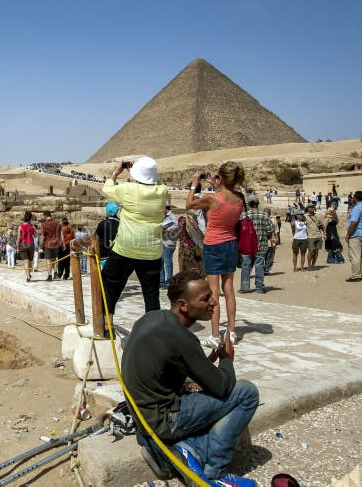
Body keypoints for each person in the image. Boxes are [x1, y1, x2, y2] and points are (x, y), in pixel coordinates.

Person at [122, 270, 258, 487]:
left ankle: (178, 452)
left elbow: (161, 359)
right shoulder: (183, 338)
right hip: (162, 421)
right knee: (246, 392)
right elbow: (222, 386)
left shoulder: (151, 318)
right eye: (205, 299)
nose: (213, 302)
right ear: (183, 305)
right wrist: (226, 359)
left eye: (211, 295)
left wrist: (201, 365)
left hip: (142, 418)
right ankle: (214, 470)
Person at [101, 157, 168, 336]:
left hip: (126, 248)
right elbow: (156, 182)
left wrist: (117, 171)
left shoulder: (127, 189)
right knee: (151, 294)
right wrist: (141, 172)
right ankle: (153, 334)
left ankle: (108, 327)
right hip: (151, 250)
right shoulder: (162, 191)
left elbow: (106, 189)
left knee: (109, 285)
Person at [186, 162, 245, 347]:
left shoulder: (212, 198)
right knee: (229, 289)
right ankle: (232, 332)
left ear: (221, 177)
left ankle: (215, 336)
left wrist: (195, 182)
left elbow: (189, 204)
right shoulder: (239, 199)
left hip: (214, 244)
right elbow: (226, 198)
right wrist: (216, 184)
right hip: (231, 244)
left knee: (213, 292)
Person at [239, 195, 274, 294]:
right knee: (259, 265)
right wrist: (265, 236)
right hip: (261, 244)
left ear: (249, 204)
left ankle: (245, 287)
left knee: (246, 265)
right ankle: (259, 287)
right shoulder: (264, 215)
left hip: (247, 245)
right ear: (257, 204)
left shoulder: (244, 215)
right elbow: (270, 229)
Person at [344, 191, 362, 280]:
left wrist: (348, 234)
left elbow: (354, 222)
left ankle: (355, 275)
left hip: (356, 234)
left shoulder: (357, 208)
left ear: (355, 198)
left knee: (355, 255)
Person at [160, 205, 179, 288]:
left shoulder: (172, 216)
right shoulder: (163, 216)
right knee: (160, 263)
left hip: (168, 243)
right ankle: (161, 281)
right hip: (162, 242)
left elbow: (176, 226)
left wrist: (166, 230)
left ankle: (168, 282)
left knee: (168, 263)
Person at [303, 203, 325, 271]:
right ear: (307, 209)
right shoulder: (305, 216)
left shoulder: (317, 216)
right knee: (311, 251)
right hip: (310, 236)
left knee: (316, 251)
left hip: (318, 235)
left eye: (313, 207)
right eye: (310, 207)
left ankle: (313, 264)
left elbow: (322, 225)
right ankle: (309, 265)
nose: (312, 208)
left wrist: (325, 233)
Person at [40, 212, 61, 281]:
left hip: (48, 244)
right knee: (54, 259)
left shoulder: (44, 224)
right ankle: (55, 273)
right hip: (55, 243)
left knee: (48, 260)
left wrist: (40, 245)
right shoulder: (57, 223)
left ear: (45, 216)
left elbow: (42, 235)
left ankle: (49, 276)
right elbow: (59, 234)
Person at [18, 212, 36, 281]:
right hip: (30, 243)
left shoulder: (20, 227)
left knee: (25, 262)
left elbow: (19, 238)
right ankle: (29, 273)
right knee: (30, 261)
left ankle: (28, 277)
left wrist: (17, 246)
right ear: (30, 218)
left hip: (23, 244)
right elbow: (35, 235)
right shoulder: (32, 226)